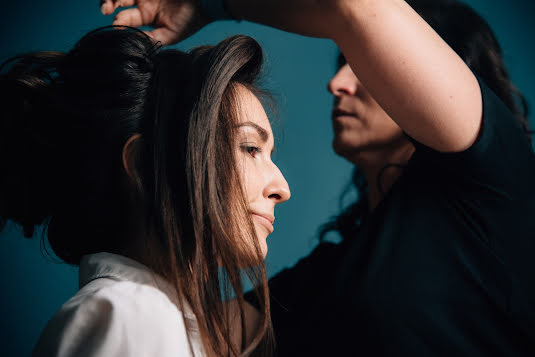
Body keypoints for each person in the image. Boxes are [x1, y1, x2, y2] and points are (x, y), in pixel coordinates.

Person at [103, 0, 535, 355]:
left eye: (362, 64)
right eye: (342, 63)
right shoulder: (335, 275)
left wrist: (210, 4)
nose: (337, 83)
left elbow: (358, 7)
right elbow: (191, 333)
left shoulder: (495, 182)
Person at [0, 26, 290, 356]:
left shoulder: (148, 317)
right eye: (250, 147)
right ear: (142, 165)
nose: (282, 188)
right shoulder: (132, 317)